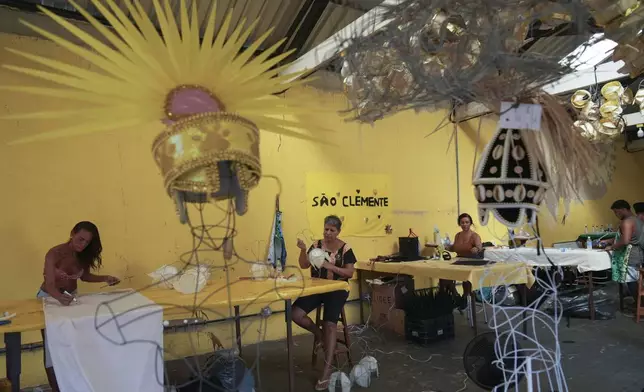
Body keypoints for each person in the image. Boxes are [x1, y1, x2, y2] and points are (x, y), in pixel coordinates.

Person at [37, 221, 120, 392]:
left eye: (87, 242)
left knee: (73, 344)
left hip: (69, 300)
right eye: (80, 239)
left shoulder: (82, 255)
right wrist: (59, 298)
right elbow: (50, 283)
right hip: (50, 299)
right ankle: (56, 389)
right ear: (72, 233)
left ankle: (74, 385)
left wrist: (105, 278)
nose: (82, 245)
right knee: (52, 349)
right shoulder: (55, 253)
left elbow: (85, 277)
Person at [294, 215, 356, 391]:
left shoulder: (345, 248)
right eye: (326, 229)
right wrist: (303, 249)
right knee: (294, 313)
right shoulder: (316, 246)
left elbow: (350, 273)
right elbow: (304, 264)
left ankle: (327, 370)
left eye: (332, 230)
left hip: (337, 289)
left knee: (330, 324)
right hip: (317, 289)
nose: (328, 233)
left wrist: (331, 267)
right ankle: (319, 335)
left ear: (338, 232)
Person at [606, 200, 643, 302]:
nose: (616, 215)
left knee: (631, 281)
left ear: (623, 209)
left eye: (616, 212)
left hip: (631, 256)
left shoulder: (627, 222)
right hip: (638, 254)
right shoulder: (637, 220)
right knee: (636, 281)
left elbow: (625, 240)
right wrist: (608, 241)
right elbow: (625, 237)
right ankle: (639, 304)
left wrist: (612, 246)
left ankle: (639, 305)